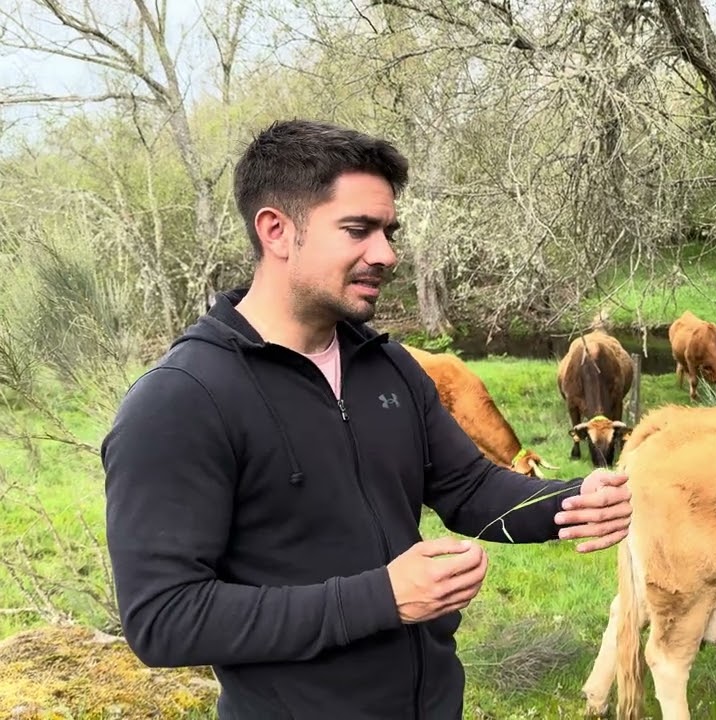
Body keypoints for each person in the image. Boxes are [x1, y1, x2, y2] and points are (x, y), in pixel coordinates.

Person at [100, 119, 633, 719]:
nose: (386, 255)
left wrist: (573, 500)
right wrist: (383, 598)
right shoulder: (180, 401)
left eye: (388, 231)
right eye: (358, 230)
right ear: (276, 230)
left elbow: (468, 488)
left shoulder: (388, 366)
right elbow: (163, 619)